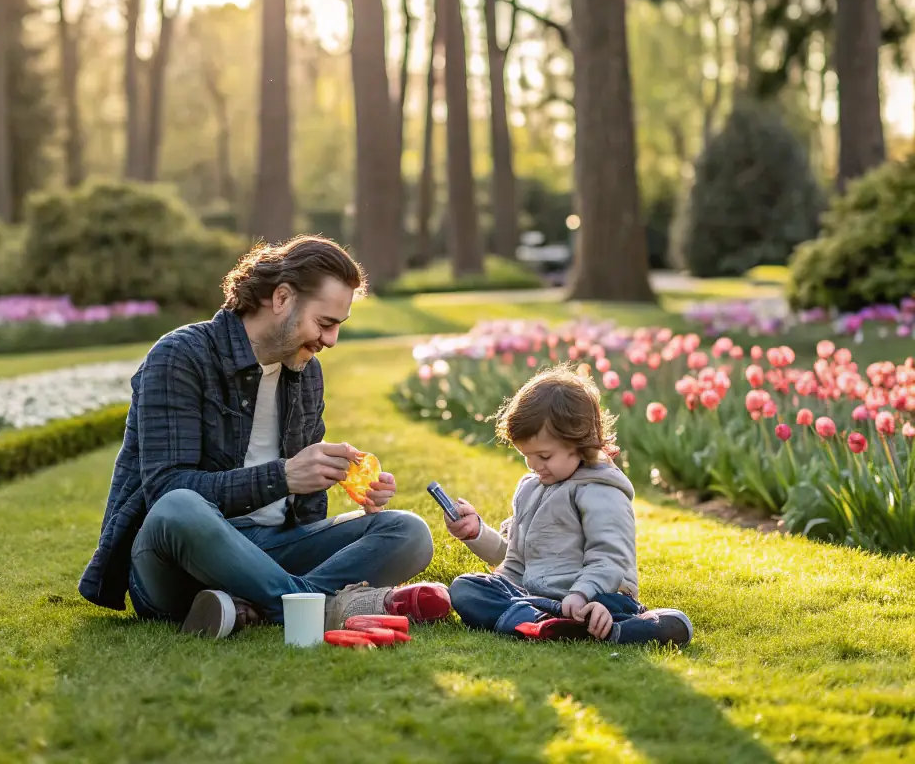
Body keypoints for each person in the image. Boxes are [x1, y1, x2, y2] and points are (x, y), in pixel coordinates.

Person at [79, 235, 449, 637]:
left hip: (272, 551)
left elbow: (305, 515)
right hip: (179, 560)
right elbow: (166, 488)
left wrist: (330, 477)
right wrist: (285, 476)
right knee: (179, 506)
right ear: (282, 298)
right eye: (324, 324)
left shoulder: (306, 374)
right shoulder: (181, 355)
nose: (330, 340)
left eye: (337, 327)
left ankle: (252, 606)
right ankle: (315, 606)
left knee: (408, 532)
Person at [443, 365, 693, 646]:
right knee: (466, 587)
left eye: (544, 456)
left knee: (612, 608)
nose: (534, 465)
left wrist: (581, 594)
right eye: (527, 455)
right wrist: (477, 533)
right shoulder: (530, 488)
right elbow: (515, 561)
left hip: (595, 595)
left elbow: (610, 559)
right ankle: (549, 624)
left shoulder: (602, 491)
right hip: (541, 598)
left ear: (580, 442)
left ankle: (611, 624)